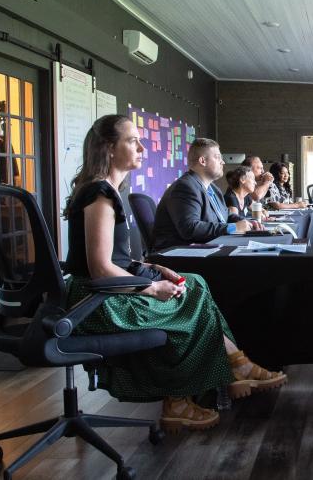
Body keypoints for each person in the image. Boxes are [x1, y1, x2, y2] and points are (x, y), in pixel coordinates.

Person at [62, 115, 287, 433]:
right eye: (132, 140)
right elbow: (100, 270)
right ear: (109, 149)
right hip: (97, 302)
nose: (141, 147)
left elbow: (117, 260)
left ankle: (224, 372)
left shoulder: (108, 191)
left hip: (109, 290)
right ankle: (207, 383)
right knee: (190, 302)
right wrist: (151, 289)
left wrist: (155, 268)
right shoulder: (100, 194)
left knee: (192, 283)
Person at [152, 138, 260, 251]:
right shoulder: (185, 187)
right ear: (202, 161)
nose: (223, 162)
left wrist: (246, 222)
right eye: (218, 157)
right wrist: (233, 227)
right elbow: (190, 229)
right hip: (181, 253)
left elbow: (225, 216)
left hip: (207, 247)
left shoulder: (213, 189)